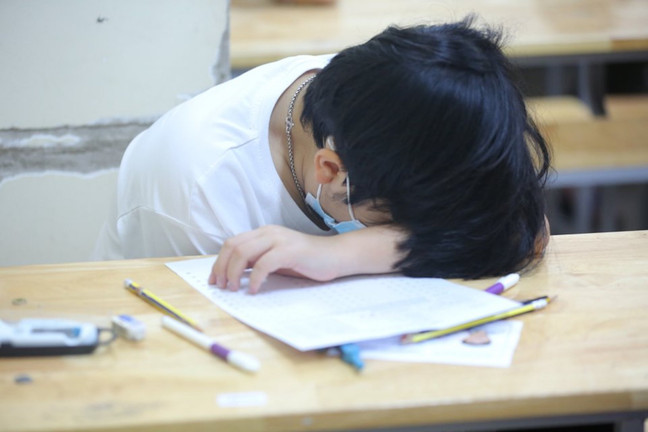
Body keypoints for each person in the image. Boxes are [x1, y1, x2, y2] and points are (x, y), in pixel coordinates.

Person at [93, 16, 551, 293]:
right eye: (395, 223)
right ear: (330, 170)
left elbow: (527, 230)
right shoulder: (201, 188)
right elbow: (222, 351)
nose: (399, 233)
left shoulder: (410, 103)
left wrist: (346, 252)